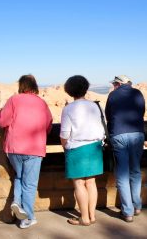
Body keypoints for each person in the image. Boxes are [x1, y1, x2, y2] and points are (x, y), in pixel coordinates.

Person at [0, 75, 53, 229]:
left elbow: (2, 121)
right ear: (34, 86)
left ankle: (17, 202)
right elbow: (48, 126)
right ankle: (27, 218)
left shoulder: (14, 100)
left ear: (21, 86)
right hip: (34, 149)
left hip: (14, 148)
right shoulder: (42, 103)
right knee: (30, 184)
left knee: (20, 177)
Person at [60, 75, 105, 226]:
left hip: (77, 148)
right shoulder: (96, 106)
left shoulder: (68, 109)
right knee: (91, 183)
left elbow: (64, 134)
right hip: (95, 147)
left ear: (69, 90)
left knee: (79, 184)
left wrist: (65, 147)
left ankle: (84, 218)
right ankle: (92, 216)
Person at [105, 75, 145, 222]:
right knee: (135, 171)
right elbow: (141, 112)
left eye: (115, 83)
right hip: (137, 134)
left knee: (122, 173)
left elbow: (108, 117)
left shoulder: (113, 95)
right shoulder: (138, 93)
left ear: (118, 84)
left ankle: (127, 212)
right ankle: (137, 206)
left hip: (118, 135)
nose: (114, 86)